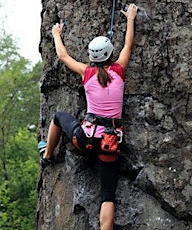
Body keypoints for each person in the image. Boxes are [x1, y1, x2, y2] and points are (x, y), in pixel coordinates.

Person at [39, 3, 138, 230]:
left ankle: (47, 155)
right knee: (107, 195)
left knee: (58, 117)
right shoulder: (119, 70)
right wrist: (130, 18)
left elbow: (63, 56)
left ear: (92, 58)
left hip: (84, 139)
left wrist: (56, 34)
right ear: (110, 55)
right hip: (108, 145)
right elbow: (128, 45)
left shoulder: (87, 72)